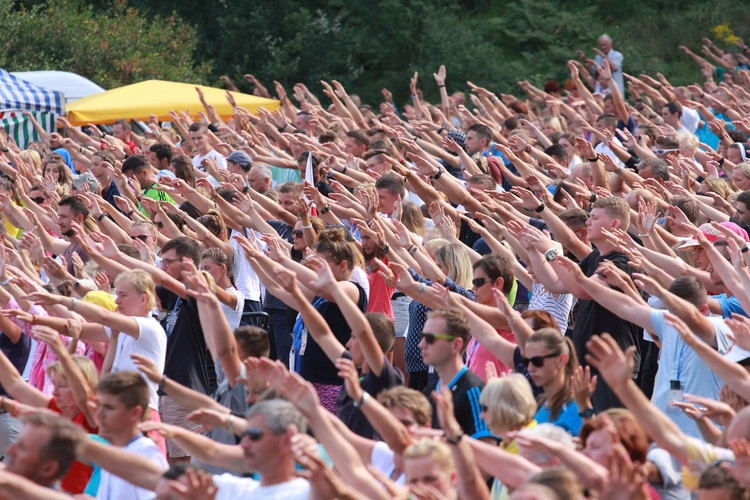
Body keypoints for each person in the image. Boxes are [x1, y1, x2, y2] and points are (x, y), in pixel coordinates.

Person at [93, 371, 168, 499]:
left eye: (109, 407)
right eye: (99, 406)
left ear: (135, 413)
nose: (99, 414)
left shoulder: (146, 455)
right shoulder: (116, 450)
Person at [420, 307, 491, 439]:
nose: (421, 344)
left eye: (430, 338)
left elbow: (488, 448)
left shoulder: (474, 390)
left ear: (456, 344)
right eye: (422, 336)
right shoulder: (431, 390)